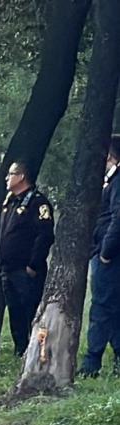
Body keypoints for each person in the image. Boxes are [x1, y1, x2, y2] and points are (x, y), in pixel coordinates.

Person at [0, 160, 55, 356]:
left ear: (21, 177)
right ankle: (20, 349)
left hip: (26, 270)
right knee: (15, 311)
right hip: (8, 268)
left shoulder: (38, 202)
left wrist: (33, 265)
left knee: (32, 310)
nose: (7, 177)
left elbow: (44, 235)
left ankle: (37, 350)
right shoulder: (10, 201)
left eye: (10, 174)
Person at [79, 135, 120, 377]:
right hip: (110, 253)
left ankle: (91, 363)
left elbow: (117, 218)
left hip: (111, 256)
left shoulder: (117, 181)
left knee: (102, 307)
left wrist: (106, 251)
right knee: (114, 308)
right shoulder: (112, 180)